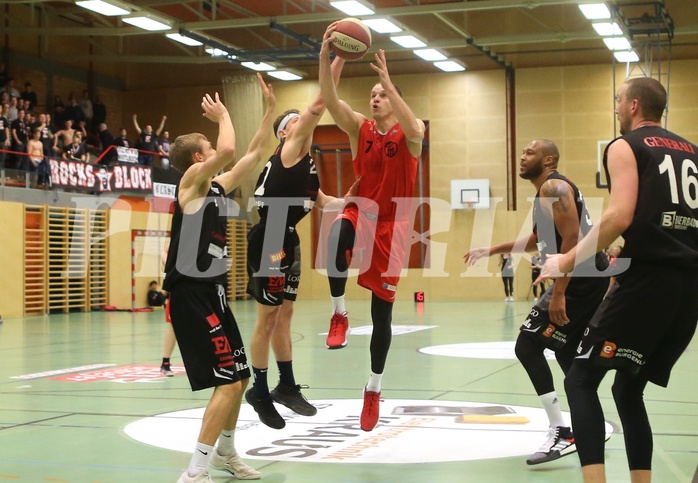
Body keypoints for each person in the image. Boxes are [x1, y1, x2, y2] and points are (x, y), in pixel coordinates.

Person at [537, 77, 698, 483]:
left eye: (617, 100)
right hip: (688, 286)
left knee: (580, 379)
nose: (615, 107)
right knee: (627, 390)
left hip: (649, 282)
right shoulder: (693, 152)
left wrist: (566, 260)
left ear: (634, 106)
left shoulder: (625, 146)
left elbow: (619, 215)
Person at [464, 139, 609, 465]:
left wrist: (558, 294)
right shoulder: (546, 190)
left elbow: (571, 238)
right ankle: (587, 427)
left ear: (549, 159)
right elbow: (537, 239)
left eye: (529, 152)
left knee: (527, 347)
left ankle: (562, 430)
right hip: (588, 276)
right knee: (567, 354)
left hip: (581, 280)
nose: (522, 157)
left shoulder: (553, 187)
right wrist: (491, 250)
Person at [163, 75, 274, 483]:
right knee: (227, 383)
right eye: (208, 151)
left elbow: (253, 153)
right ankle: (194, 472)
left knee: (239, 378)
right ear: (198, 158)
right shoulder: (189, 185)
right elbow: (228, 148)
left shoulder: (215, 188)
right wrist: (224, 114)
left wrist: (269, 112)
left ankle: (226, 451)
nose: (217, 155)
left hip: (215, 294)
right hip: (191, 295)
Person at [318, 24, 425, 432]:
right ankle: (339, 314)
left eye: (382, 96)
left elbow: (416, 129)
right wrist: (326, 56)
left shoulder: (409, 136)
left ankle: (374, 388)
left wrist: (390, 83)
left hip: (393, 228)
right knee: (336, 237)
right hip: (361, 211)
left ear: (394, 103)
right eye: (373, 95)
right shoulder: (359, 129)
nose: (376, 98)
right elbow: (329, 98)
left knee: (383, 315)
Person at [244, 56, 345, 430]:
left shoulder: (306, 165)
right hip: (270, 238)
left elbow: (324, 203)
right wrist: (336, 57)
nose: (301, 123)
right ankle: (259, 389)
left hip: (287, 238)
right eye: (293, 122)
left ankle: (286, 385)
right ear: (285, 133)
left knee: (284, 316)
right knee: (266, 319)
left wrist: (356, 201)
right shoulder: (290, 151)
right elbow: (320, 102)